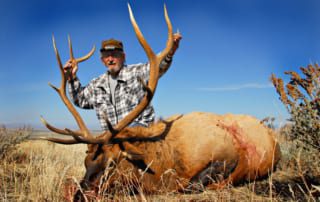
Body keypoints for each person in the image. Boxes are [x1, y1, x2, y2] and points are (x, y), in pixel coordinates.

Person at [64, 33, 182, 131]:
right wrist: (72, 77)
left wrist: (169, 51)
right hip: (112, 143)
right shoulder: (97, 85)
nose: (110, 59)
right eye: (106, 56)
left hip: (140, 137)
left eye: (114, 55)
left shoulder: (136, 72)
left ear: (123, 57)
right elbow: (80, 100)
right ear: (102, 60)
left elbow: (157, 67)